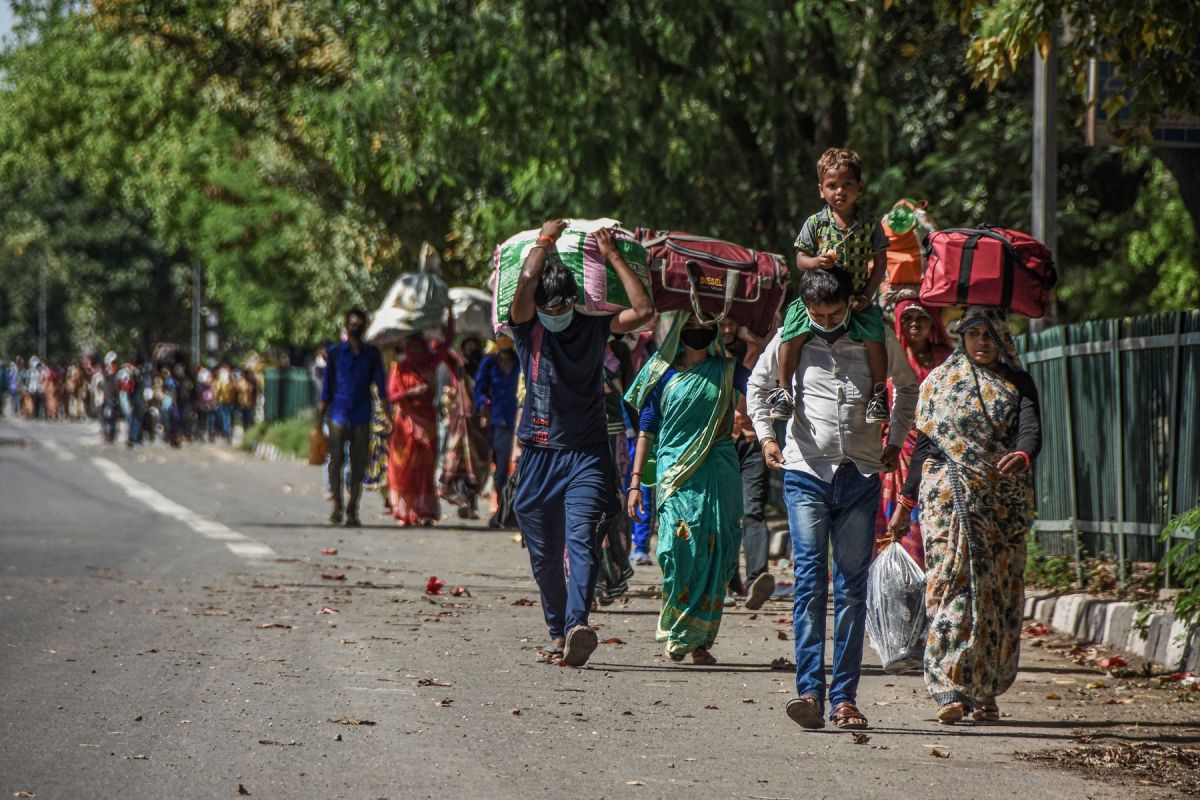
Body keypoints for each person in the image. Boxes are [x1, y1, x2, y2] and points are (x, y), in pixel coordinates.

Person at [746, 267, 918, 731]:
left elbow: (907, 387)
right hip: (805, 474)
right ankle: (809, 692)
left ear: (849, 304)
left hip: (860, 475)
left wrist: (895, 439)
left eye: (834, 312)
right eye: (817, 314)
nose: (825, 321)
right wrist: (767, 437)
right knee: (808, 584)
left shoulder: (874, 337)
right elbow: (757, 387)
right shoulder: (791, 339)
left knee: (850, 589)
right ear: (806, 308)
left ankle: (844, 699)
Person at [508, 219, 654, 667]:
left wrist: (612, 256)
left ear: (575, 301)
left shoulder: (595, 326)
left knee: (584, 541)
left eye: (563, 305)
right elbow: (526, 279)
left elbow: (644, 310)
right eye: (547, 306)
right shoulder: (525, 326)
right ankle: (557, 631)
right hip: (537, 453)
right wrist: (545, 240)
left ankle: (577, 626)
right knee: (544, 555)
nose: (555, 312)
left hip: (587, 453)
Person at [889, 306, 1041, 725]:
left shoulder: (1017, 382)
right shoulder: (941, 381)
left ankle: (983, 688)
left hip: (1000, 503)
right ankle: (948, 686)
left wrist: (1023, 455)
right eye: (973, 334)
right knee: (948, 586)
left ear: (1002, 338)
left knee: (994, 595)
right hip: (946, 496)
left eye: (989, 334)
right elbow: (924, 445)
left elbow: (1031, 430)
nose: (982, 342)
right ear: (961, 338)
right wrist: (904, 504)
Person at [626, 313, 749, 664]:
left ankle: (696, 641)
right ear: (679, 331)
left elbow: (763, 389)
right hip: (674, 473)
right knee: (675, 549)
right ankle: (678, 628)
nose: (698, 333)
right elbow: (647, 427)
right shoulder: (662, 372)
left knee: (716, 549)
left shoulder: (728, 370)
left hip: (719, 471)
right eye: (691, 327)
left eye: (705, 327)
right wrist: (636, 482)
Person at [770, 147, 890, 425]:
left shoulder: (871, 225)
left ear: (860, 186)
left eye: (847, 184)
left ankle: (878, 394)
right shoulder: (815, 223)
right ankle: (784, 390)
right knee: (791, 328)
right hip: (819, 296)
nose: (840, 192)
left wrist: (866, 296)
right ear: (821, 190)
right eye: (832, 186)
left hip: (854, 298)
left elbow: (880, 264)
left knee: (875, 333)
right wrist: (816, 262)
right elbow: (800, 259)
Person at [875, 300, 953, 567]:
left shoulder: (947, 360)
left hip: (939, 452)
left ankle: (930, 576)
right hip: (898, 453)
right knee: (895, 520)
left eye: (921, 318)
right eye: (907, 319)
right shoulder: (889, 359)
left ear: (934, 323)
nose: (914, 324)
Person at [317, 308, 391, 527]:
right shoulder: (335, 352)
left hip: (361, 415)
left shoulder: (372, 354)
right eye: (352, 324)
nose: (355, 327)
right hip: (338, 415)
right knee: (335, 462)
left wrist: (388, 415)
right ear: (346, 326)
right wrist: (318, 418)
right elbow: (327, 388)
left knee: (359, 465)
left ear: (365, 326)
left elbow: (382, 387)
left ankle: (352, 509)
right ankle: (337, 505)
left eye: (359, 324)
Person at [720, 317, 776, 609]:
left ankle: (757, 580)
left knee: (753, 510)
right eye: (722, 325)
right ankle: (727, 581)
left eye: (732, 324)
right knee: (725, 514)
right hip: (721, 443)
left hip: (754, 440)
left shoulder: (760, 350)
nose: (728, 330)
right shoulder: (707, 354)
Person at [387, 329, 451, 527]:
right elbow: (392, 396)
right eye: (412, 348)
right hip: (405, 426)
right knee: (404, 469)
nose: (416, 351)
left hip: (428, 426)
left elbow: (446, 344)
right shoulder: (400, 368)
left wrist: (448, 318)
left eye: (419, 347)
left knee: (425, 470)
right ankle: (405, 511)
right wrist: (411, 392)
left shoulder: (431, 364)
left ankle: (424, 512)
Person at [473, 335, 520, 527]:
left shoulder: (521, 360)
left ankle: (516, 512)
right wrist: (484, 404)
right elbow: (479, 390)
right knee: (501, 470)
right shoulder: (489, 363)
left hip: (520, 422)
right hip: (499, 422)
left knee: (519, 468)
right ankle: (500, 511)